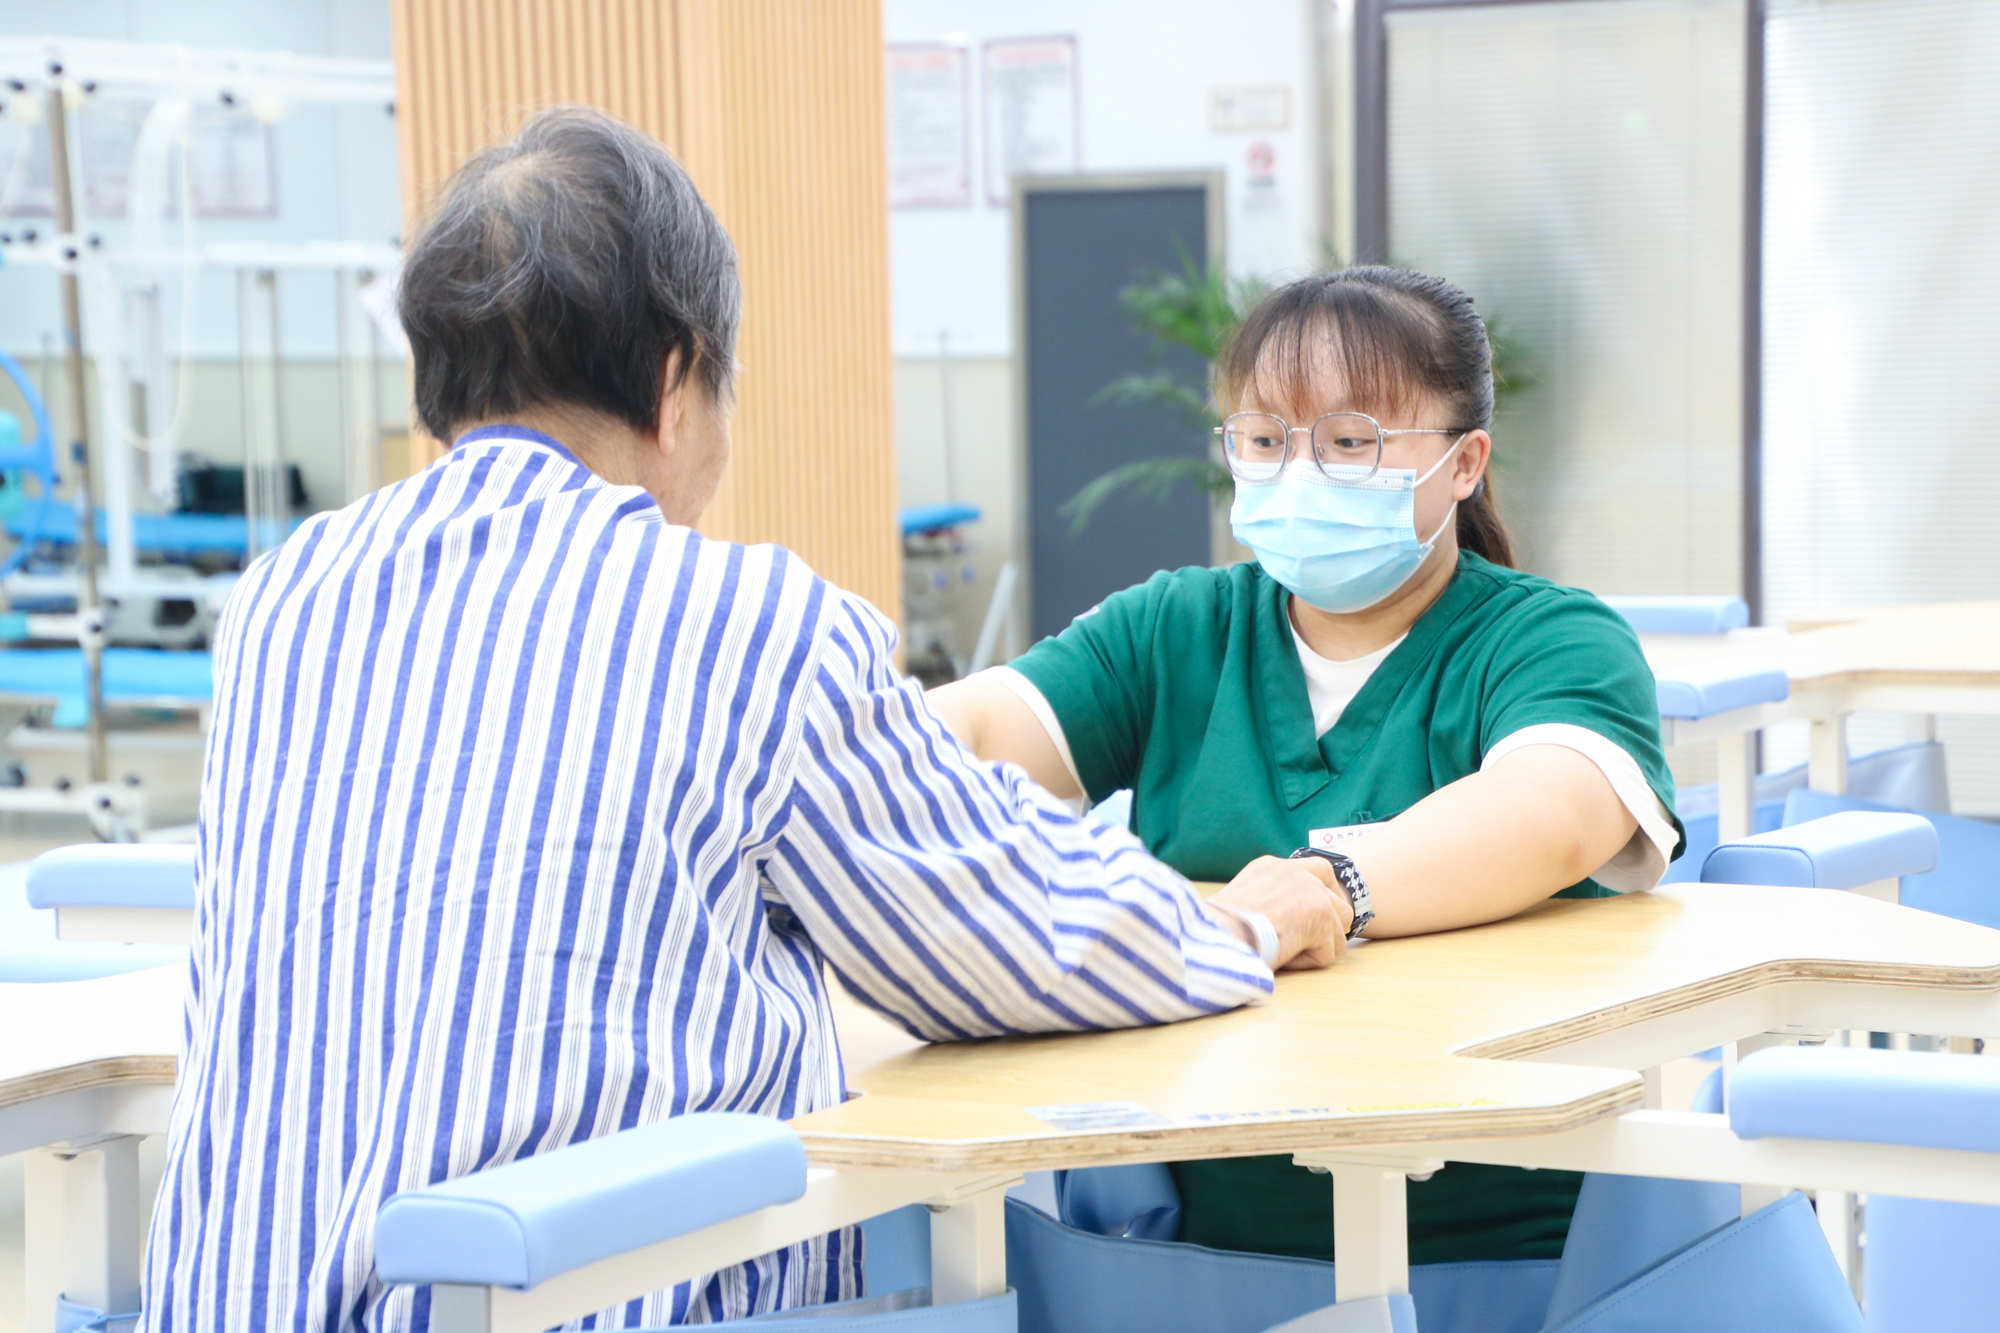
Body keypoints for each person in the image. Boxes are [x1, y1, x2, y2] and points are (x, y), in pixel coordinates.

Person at [138, 107, 1354, 1332]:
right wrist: (1241, 922)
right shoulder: (742, 619)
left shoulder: (282, 597)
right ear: (676, 380)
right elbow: (1002, 934)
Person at [928, 266, 1685, 1271]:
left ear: (1463, 464)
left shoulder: (1549, 640)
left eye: (1348, 442)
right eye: (1264, 440)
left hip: (1495, 1252)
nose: (1298, 473)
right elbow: (976, 733)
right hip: (1196, 1252)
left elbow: (1548, 814)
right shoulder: (1177, 629)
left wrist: (1329, 888)